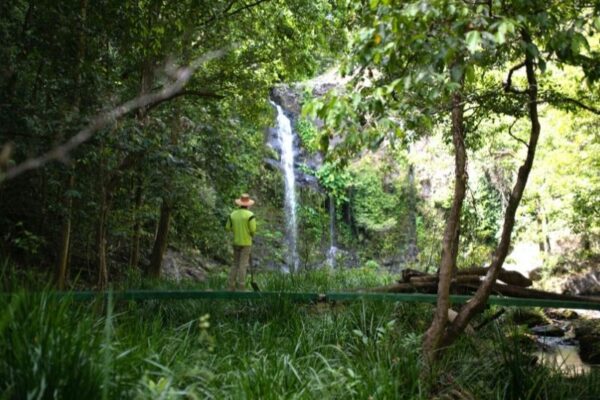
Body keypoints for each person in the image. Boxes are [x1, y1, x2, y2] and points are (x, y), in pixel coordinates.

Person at [225, 193, 256, 290]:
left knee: (235, 264)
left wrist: (236, 230)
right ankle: (241, 288)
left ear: (239, 203)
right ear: (248, 204)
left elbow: (227, 228)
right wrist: (250, 235)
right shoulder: (250, 215)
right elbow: (253, 229)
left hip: (236, 242)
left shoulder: (232, 214)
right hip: (246, 243)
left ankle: (230, 286)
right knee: (243, 265)